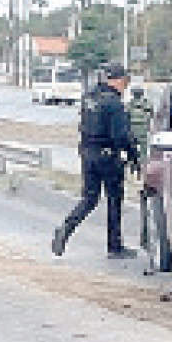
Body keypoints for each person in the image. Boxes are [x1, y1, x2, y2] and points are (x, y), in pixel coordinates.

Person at [52, 64, 139, 259]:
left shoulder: (89, 97)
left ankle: (65, 229)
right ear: (116, 80)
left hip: (87, 154)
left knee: (89, 199)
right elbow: (121, 136)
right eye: (125, 82)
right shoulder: (114, 103)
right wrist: (133, 155)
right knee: (114, 200)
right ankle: (114, 247)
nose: (125, 87)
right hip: (108, 157)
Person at [127, 86, 153, 164]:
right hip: (143, 130)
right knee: (143, 152)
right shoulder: (147, 104)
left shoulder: (129, 104)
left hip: (132, 130)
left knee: (131, 151)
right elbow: (151, 115)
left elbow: (126, 116)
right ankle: (143, 166)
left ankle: (132, 166)